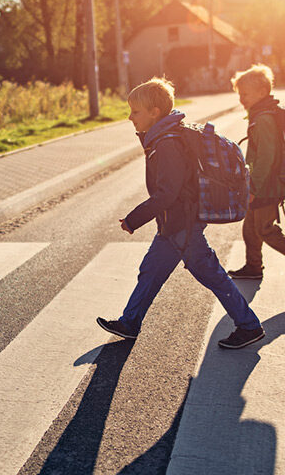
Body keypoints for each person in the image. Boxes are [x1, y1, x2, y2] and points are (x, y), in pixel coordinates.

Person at [96, 77, 265, 350]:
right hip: (175, 224)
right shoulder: (164, 137)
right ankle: (130, 322)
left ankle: (249, 326)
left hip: (182, 223)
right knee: (151, 271)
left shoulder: (167, 144)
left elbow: (167, 193)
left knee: (212, 275)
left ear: (155, 113)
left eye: (135, 112)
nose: (129, 117)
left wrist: (133, 219)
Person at [227, 64, 285, 284]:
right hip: (263, 183)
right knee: (250, 228)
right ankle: (253, 266)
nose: (241, 99)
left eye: (245, 94)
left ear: (262, 92)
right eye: (240, 94)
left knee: (266, 230)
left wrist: (254, 188)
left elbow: (266, 158)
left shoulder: (263, 120)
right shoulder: (262, 114)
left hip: (267, 186)